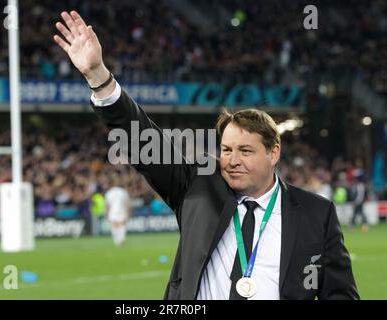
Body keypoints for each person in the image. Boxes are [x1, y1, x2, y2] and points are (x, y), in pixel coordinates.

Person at [53, 10, 359, 300]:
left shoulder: (316, 213)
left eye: (245, 151)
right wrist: (98, 76)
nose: (232, 159)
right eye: (226, 149)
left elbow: (340, 294)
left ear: (273, 152)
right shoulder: (197, 187)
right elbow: (144, 141)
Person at [104, 181, 131, 246]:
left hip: (112, 211)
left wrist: (106, 214)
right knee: (122, 225)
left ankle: (117, 241)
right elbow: (127, 203)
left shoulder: (109, 192)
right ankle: (121, 239)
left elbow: (107, 205)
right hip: (122, 211)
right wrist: (128, 212)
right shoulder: (123, 192)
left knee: (114, 226)